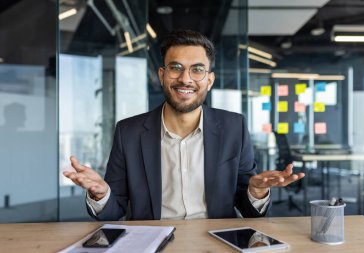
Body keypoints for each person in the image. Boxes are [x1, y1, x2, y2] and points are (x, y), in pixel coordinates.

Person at [63, 30, 305, 221]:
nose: (185, 79)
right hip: (151, 242)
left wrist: (256, 191)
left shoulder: (234, 127)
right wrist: (101, 193)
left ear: (209, 80)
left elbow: (249, 209)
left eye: (197, 69)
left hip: (216, 241)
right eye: (175, 68)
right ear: (161, 74)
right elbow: (114, 210)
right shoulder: (129, 132)